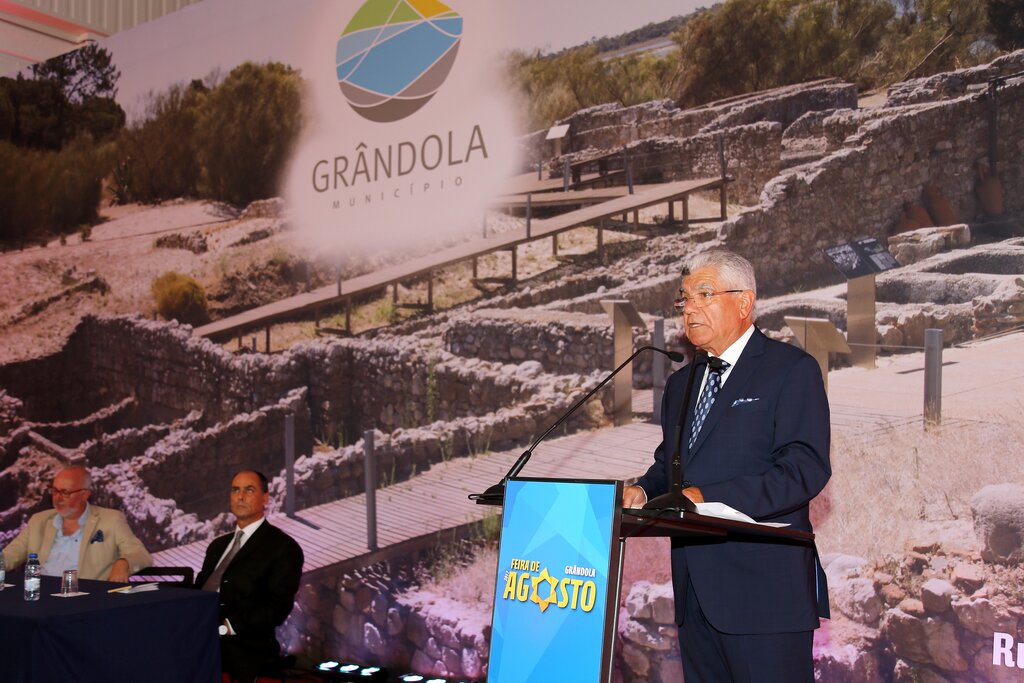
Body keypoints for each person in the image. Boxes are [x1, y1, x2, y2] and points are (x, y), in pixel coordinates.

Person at [623, 250, 831, 683]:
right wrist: (642, 490)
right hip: (695, 596)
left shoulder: (790, 370)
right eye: (684, 298)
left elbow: (804, 469)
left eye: (704, 294)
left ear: (743, 303)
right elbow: (671, 463)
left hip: (765, 596)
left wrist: (710, 498)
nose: (690, 307)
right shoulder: (681, 384)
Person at [195, 470, 304, 682]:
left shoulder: (282, 547)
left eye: (249, 490)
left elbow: (277, 607)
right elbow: (201, 590)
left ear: (265, 498)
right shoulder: (217, 546)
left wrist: (226, 627)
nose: (240, 496)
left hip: (246, 654)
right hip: (200, 646)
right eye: (236, 490)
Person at [1, 465, 152, 582]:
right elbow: (9, 556)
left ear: (84, 494)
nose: (57, 499)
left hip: (87, 602)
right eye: (54, 491)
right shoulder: (39, 520)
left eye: (65, 493)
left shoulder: (111, 520)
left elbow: (141, 555)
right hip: (41, 598)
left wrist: (124, 563)